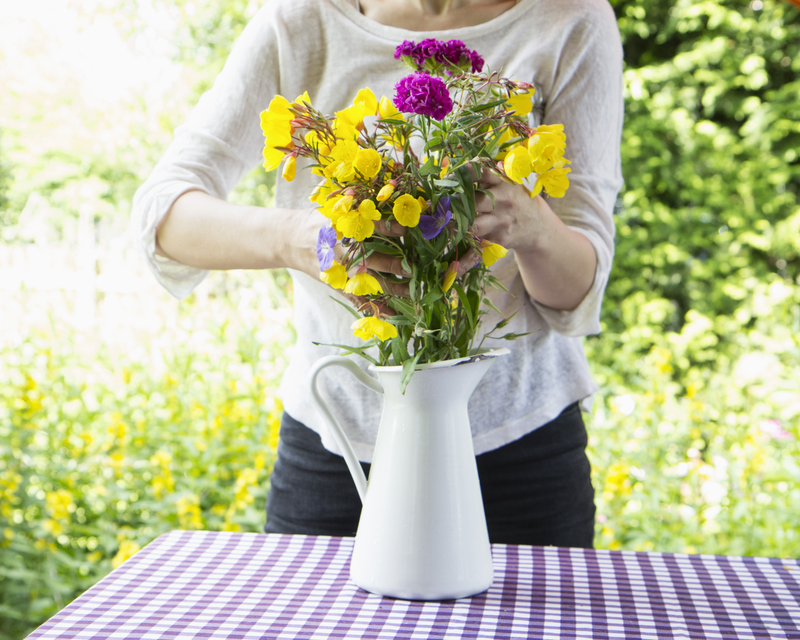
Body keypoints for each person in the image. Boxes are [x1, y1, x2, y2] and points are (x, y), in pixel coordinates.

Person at [131, 0, 623, 548]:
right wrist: (302, 239)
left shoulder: (571, 17)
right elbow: (163, 214)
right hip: (336, 445)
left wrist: (533, 227)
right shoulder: (300, 19)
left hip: (522, 453)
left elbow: (578, 292)